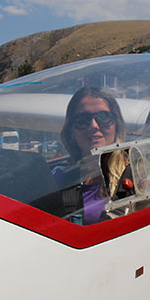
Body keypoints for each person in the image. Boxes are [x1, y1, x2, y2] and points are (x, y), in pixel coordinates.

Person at [57, 87, 134, 224]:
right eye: (82, 121)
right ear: (72, 131)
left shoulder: (137, 172)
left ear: (116, 124)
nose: (94, 126)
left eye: (103, 118)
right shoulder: (61, 178)